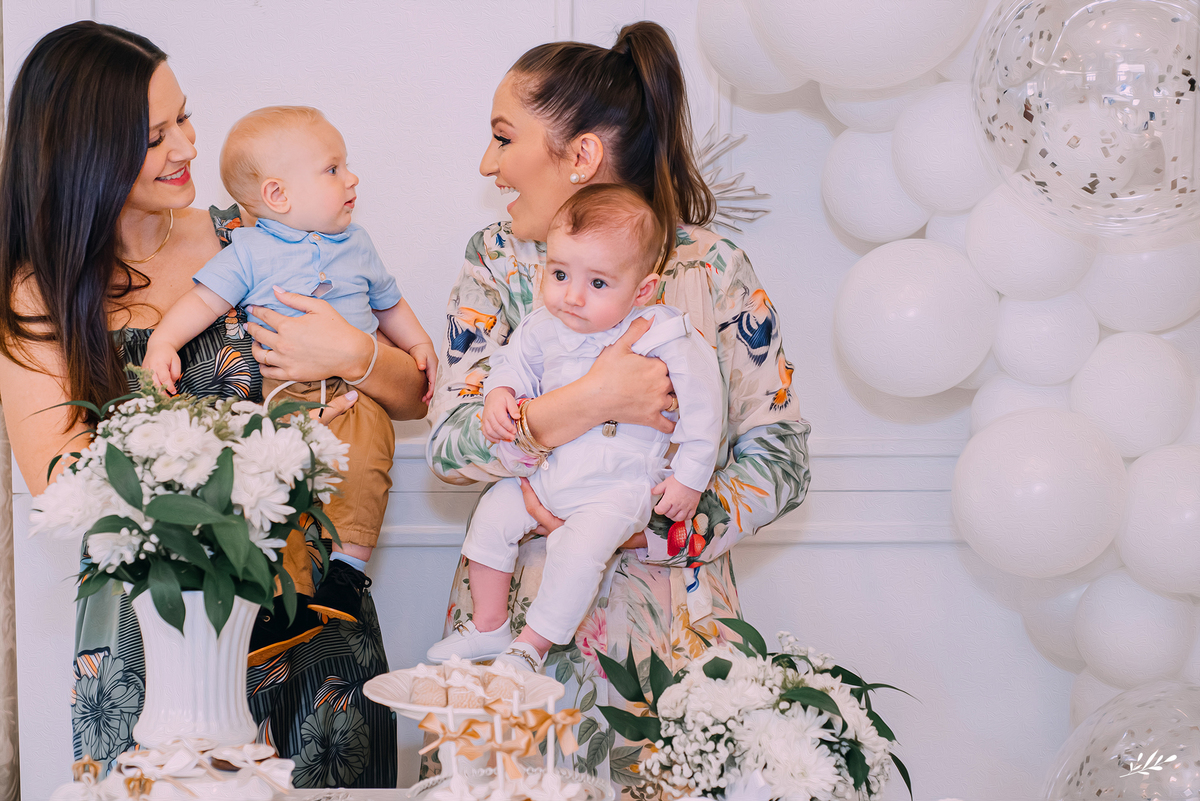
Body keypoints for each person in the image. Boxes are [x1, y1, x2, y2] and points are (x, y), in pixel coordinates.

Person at [0, 22, 427, 788]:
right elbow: (59, 481)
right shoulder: (41, 295)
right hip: (160, 638)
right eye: (154, 134)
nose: (187, 146)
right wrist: (260, 448)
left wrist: (352, 356)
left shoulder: (260, 232)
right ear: (85, 152)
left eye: (184, 116)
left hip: (314, 620)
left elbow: (408, 394)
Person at [425, 20, 812, 795]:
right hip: (510, 644)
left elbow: (782, 456)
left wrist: (662, 519)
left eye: (503, 139)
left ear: (581, 156)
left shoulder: (714, 269)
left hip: (669, 652)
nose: (487, 163)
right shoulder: (496, 264)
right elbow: (451, 446)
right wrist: (588, 400)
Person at [144, 105, 437, 628]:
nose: (351, 178)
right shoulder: (249, 250)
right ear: (278, 194)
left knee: (369, 462)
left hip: (356, 393)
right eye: (333, 169)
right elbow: (203, 302)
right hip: (287, 394)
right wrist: (164, 341)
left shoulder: (358, 243)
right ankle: (288, 598)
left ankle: (348, 572)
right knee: (281, 490)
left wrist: (417, 344)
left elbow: (388, 302)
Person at [426, 184, 721, 672]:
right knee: (493, 517)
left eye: (599, 284)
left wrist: (689, 477)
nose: (573, 296)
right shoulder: (543, 325)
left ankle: (530, 647)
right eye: (560, 273)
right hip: (549, 473)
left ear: (642, 289)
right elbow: (510, 366)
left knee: (578, 552)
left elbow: (703, 406)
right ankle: (489, 625)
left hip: (617, 488)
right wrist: (500, 395)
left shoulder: (662, 332)